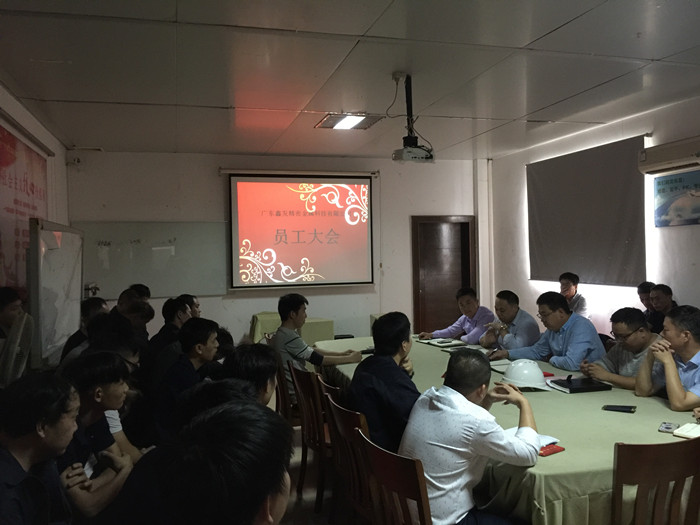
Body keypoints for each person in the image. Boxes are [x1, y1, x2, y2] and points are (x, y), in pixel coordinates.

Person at [399, 349, 539, 525]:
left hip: (406, 512)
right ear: (482, 389)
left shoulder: (426, 398)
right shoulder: (477, 422)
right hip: (444, 520)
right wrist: (523, 403)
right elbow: (528, 453)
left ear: (446, 375)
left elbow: (464, 431)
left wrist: (486, 400)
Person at [0, 372, 85, 525]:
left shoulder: (43, 462)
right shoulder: (6, 497)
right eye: (73, 417)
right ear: (42, 427)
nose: (75, 427)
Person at [58, 352, 134, 518]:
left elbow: (115, 460)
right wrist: (126, 470)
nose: (126, 389)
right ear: (98, 394)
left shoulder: (97, 416)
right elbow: (88, 507)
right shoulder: (64, 433)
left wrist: (94, 485)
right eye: (121, 383)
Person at [349, 312, 420, 452]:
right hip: (383, 452)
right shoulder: (393, 378)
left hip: (361, 444)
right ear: (404, 345)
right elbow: (417, 416)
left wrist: (405, 373)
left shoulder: (366, 364)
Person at [271, 293, 360, 400]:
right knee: (344, 391)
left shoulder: (283, 333)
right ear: (293, 314)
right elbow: (317, 359)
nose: (306, 315)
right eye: (303, 311)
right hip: (301, 394)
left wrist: (341, 354)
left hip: (298, 387)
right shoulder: (288, 337)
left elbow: (310, 349)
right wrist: (350, 359)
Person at [489, 292, 605, 371]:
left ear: (560, 312)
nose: (542, 320)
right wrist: (506, 353)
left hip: (594, 380)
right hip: (567, 376)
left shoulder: (581, 326)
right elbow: (537, 351)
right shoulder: (553, 329)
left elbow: (572, 363)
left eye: (545, 315)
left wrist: (551, 359)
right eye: (540, 315)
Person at [153, 317, 219, 439]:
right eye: (214, 340)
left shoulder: (187, 367)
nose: (217, 345)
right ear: (199, 348)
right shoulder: (184, 377)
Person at [635, 305, 700, 411]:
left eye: (666, 330)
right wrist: (650, 356)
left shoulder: (669, 359)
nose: (661, 334)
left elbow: (679, 404)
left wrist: (668, 362)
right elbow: (642, 391)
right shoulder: (676, 357)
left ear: (685, 336)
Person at [580, 307, 661, 390]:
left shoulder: (661, 349)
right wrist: (591, 369)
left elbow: (647, 385)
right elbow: (606, 363)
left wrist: (608, 376)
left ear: (641, 331)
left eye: (623, 337)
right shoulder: (622, 346)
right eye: (615, 335)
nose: (618, 341)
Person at [419, 287, 495, 344]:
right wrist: (431, 335)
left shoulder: (486, 315)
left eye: (468, 303)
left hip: (493, 352)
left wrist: (460, 339)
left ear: (477, 302)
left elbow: (472, 339)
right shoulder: (464, 318)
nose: (465, 308)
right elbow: (450, 331)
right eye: (461, 305)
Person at [61, 297, 109, 361]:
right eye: (100, 316)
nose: (106, 319)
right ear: (85, 318)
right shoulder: (77, 345)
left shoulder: (99, 337)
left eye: (107, 315)